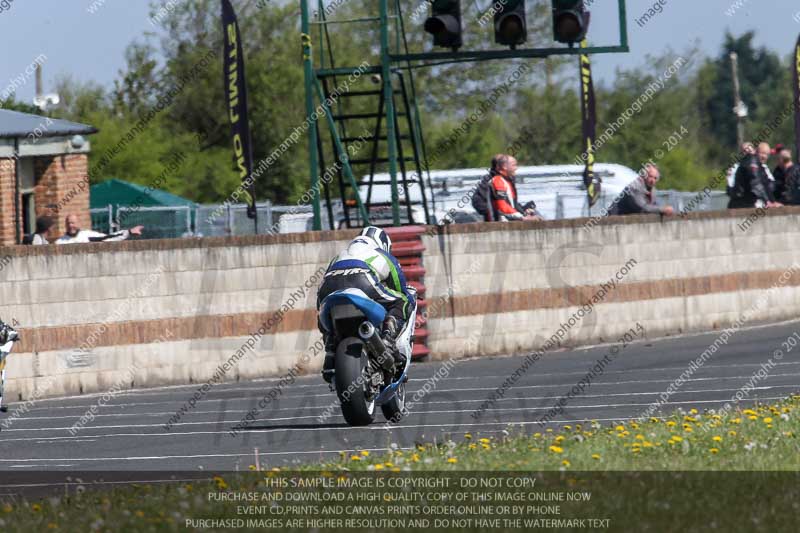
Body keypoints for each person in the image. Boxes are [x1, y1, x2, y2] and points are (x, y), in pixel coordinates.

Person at [316, 226, 416, 383]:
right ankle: (388, 338)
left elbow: (320, 295)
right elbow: (400, 287)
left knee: (323, 309)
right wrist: (408, 294)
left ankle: (330, 346)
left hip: (329, 287)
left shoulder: (339, 255)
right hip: (363, 281)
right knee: (402, 300)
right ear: (384, 244)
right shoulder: (381, 253)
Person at [608, 163, 674, 216]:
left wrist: (664, 210)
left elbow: (653, 206)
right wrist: (662, 210)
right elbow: (643, 208)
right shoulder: (635, 187)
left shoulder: (652, 190)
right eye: (650, 176)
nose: (652, 180)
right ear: (644, 175)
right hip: (613, 220)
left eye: (655, 178)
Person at [729, 143, 782, 209]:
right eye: (762, 153)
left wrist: (773, 201)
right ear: (756, 151)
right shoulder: (752, 161)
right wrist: (768, 201)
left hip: (748, 203)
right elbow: (755, 183)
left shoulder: (760, 166)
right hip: (742, 204)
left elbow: (765, 183)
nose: (764, 156)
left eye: (767, 154)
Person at [490, 155, 541, 221]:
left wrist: (524, 212)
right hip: (502, 224)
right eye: (513, 165)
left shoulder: (507, 182)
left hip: (509, 221)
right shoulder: (498, 181)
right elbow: (502, 206)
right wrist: (522, 217)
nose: (516, 168)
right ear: (504, 167)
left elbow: (512, 205)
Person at [55, 214, 144, 244]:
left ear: (78, 223)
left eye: (73, 223)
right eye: (68, 223)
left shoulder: (87, 235)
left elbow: (109, 238)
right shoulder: (60, 242)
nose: (70, 225)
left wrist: (129, 232)